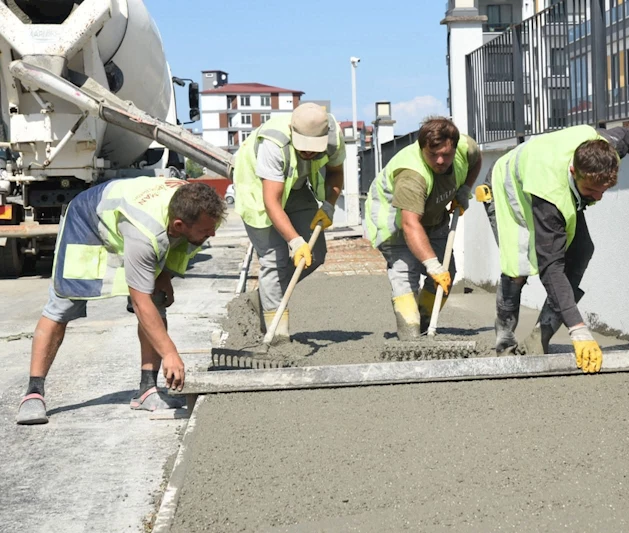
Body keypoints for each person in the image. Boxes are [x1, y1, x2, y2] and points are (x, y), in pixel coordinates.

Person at [483, 125, 629, 373]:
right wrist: (579, 330)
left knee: (582, 250)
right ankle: (504, 341)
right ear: (574, 171)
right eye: (592, 191)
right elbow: (550, 267)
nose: (599, 197)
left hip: (551, 179)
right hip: (508, 189)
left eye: (604, 190)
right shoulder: (550, 196)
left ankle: (541, 336)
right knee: (517, 268)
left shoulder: (605, 149)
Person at [16, 177, 226, 425]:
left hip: (134, 219)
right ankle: (33, 393)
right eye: (205, 231)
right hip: (87, 221)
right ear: (179, 224)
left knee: (156, 298)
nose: (212, 233)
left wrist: (165, 274)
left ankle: (147, 390)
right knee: (63, 304)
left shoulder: (198, 207)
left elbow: (181, 244)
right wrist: (170, 353)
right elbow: (140, 303)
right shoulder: (145, 232)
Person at [233, 103, 345, 344]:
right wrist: (294, 241)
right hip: (258, 187)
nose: (309, 154)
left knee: (315, 253)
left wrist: (329, 204)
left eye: (314, 150)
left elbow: (336, 172)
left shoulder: (334, 136)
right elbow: (272, 201)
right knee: (273, 260)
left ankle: (263, 298)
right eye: (304, 149)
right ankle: (278, 338)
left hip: (296, 185)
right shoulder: (274, 144)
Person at [365, 117, 482, 339]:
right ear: (422, 148)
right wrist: (431, 265)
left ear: (454, 148)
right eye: (433, 154)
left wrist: (464, 190)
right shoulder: (411, 175)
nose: (440, 160)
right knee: (405, 272)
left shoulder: (465, 147)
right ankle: (409, 331)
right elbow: (410, 224)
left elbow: (476, 160)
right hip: (395, 222)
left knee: (447, 273)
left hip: (434, 217)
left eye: (446, 155)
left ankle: (425, 321)